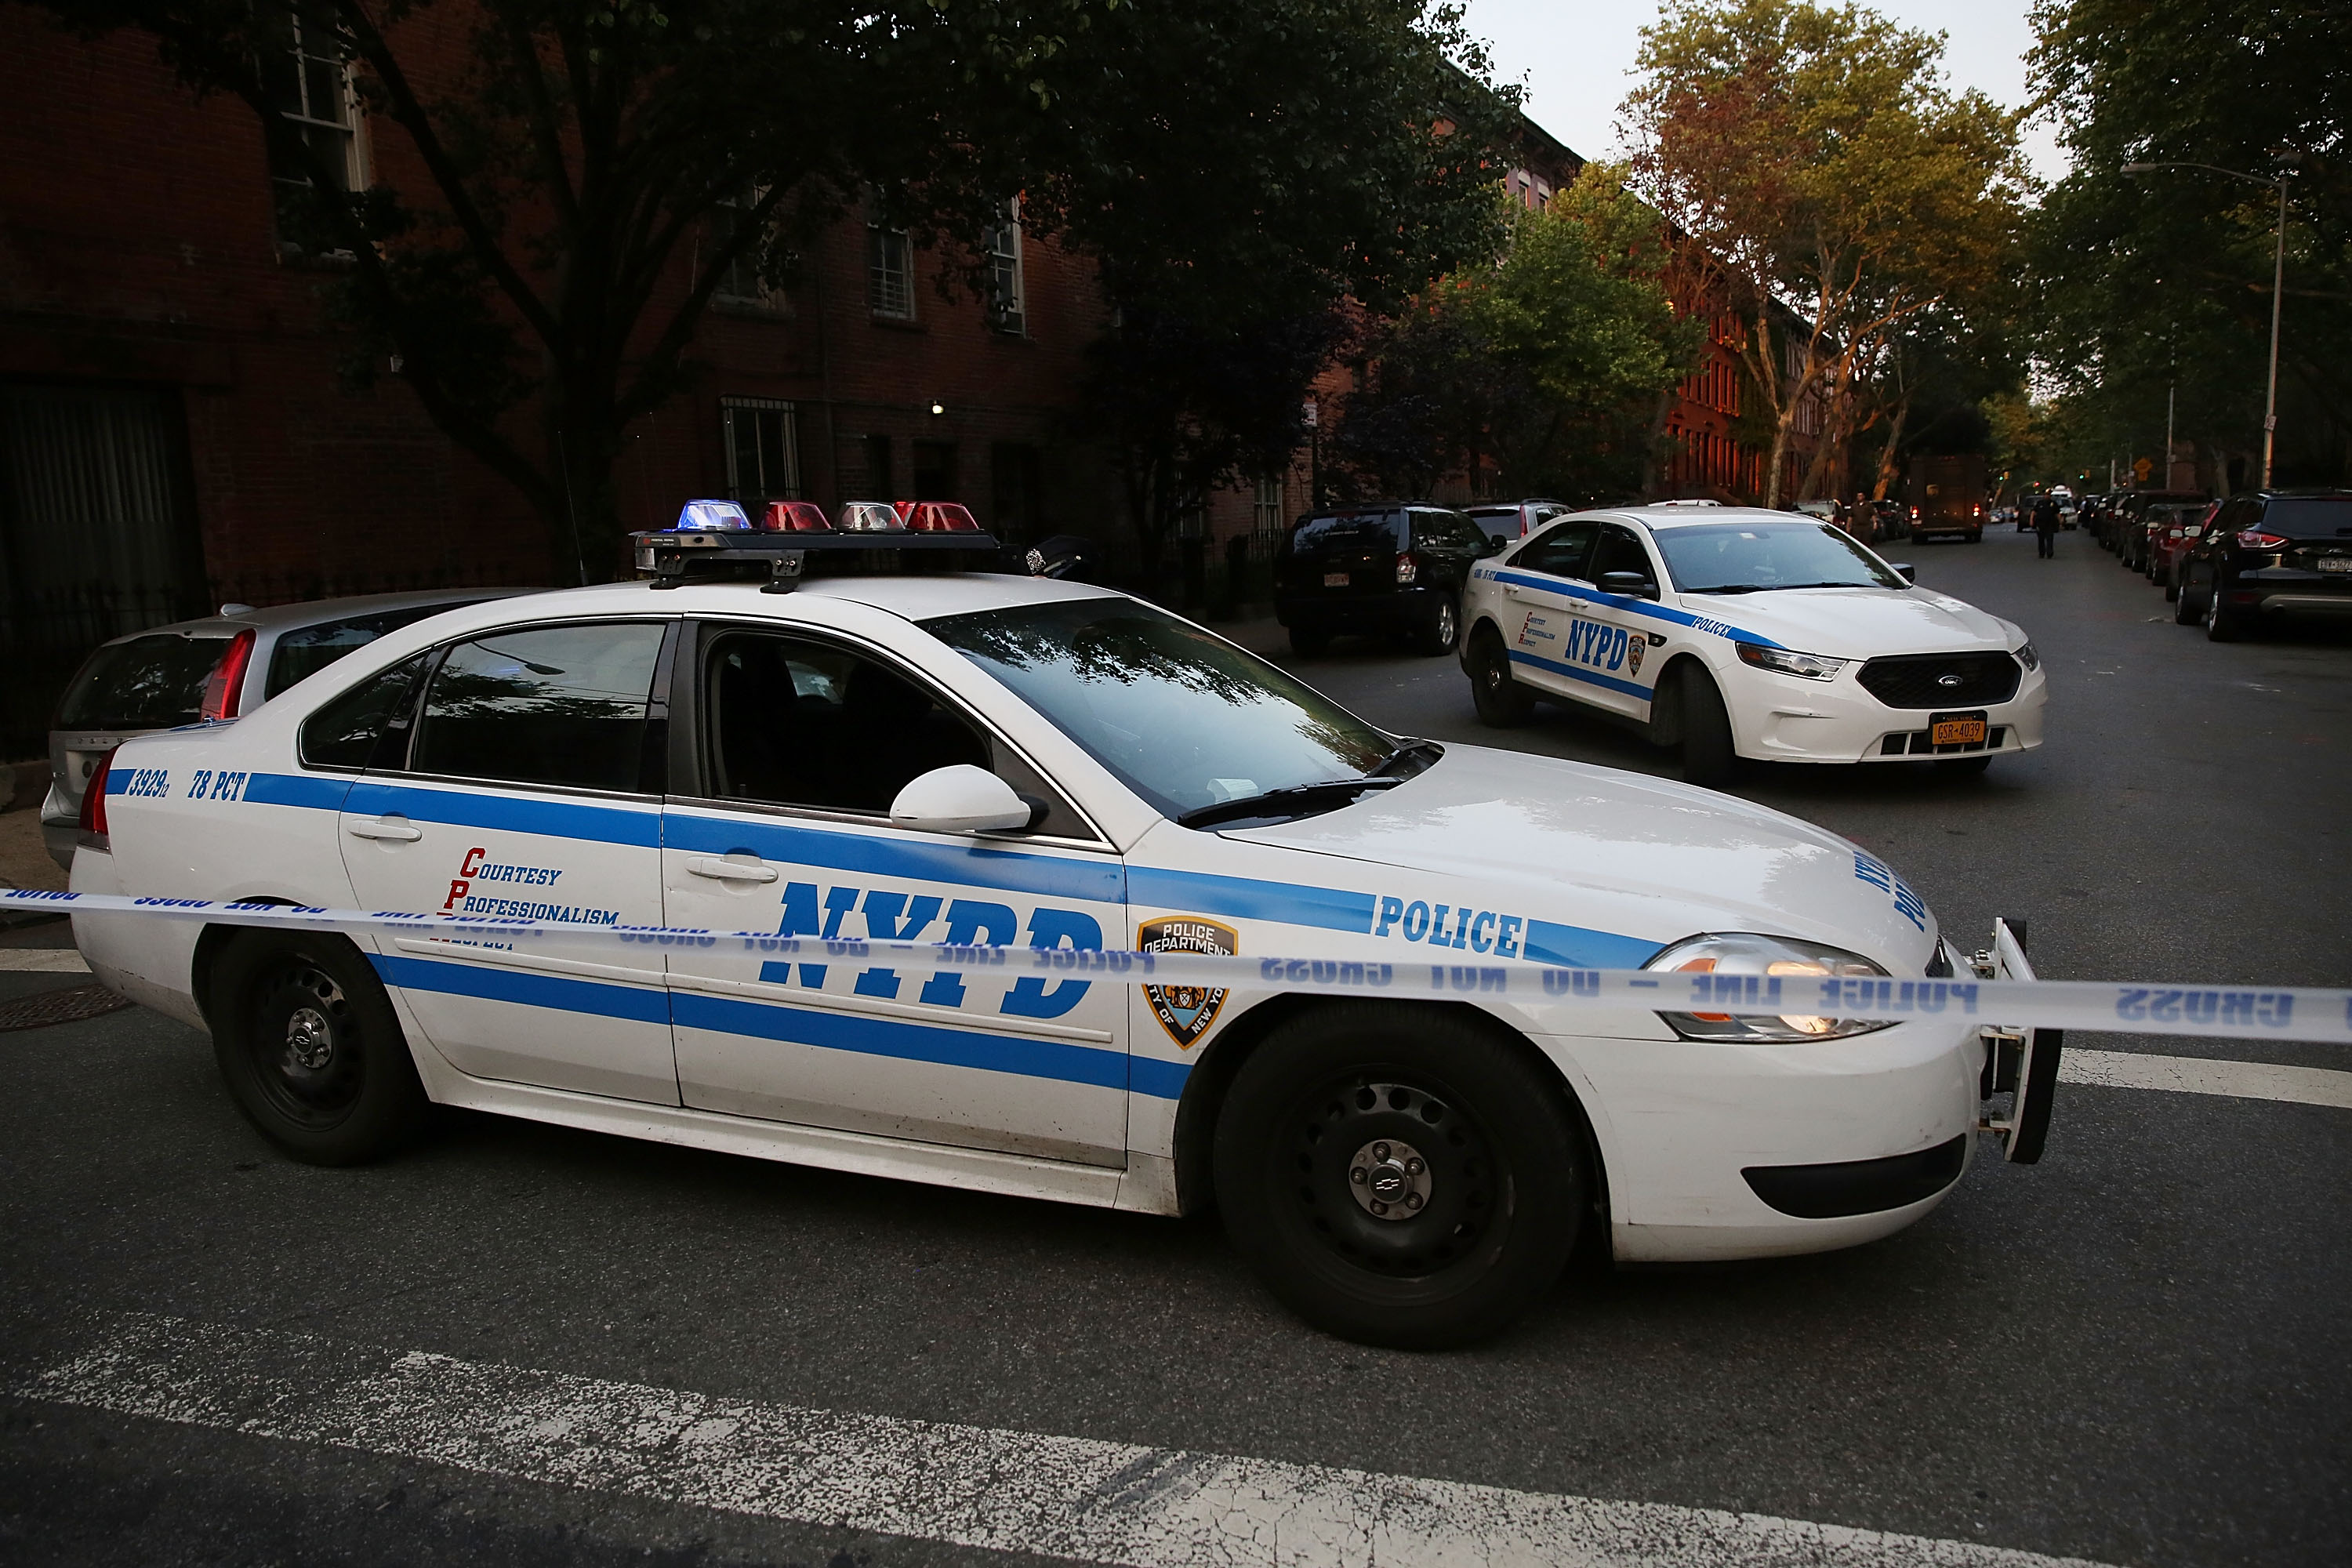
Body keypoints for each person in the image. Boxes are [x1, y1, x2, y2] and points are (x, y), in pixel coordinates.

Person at [2033, 493, 2060, 558]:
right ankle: (2041, 553)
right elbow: (2034, 512)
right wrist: (2031, 520)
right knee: (2041, 539)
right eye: (2045, 495)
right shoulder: (2040, 503)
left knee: (2050, 539)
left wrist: (2060, 521)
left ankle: (2050, 553)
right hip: (2040, 524)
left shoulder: (2053, 504)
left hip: (2050, 524)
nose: (2047, 496)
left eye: (2048, 495)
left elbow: (2057, 513)